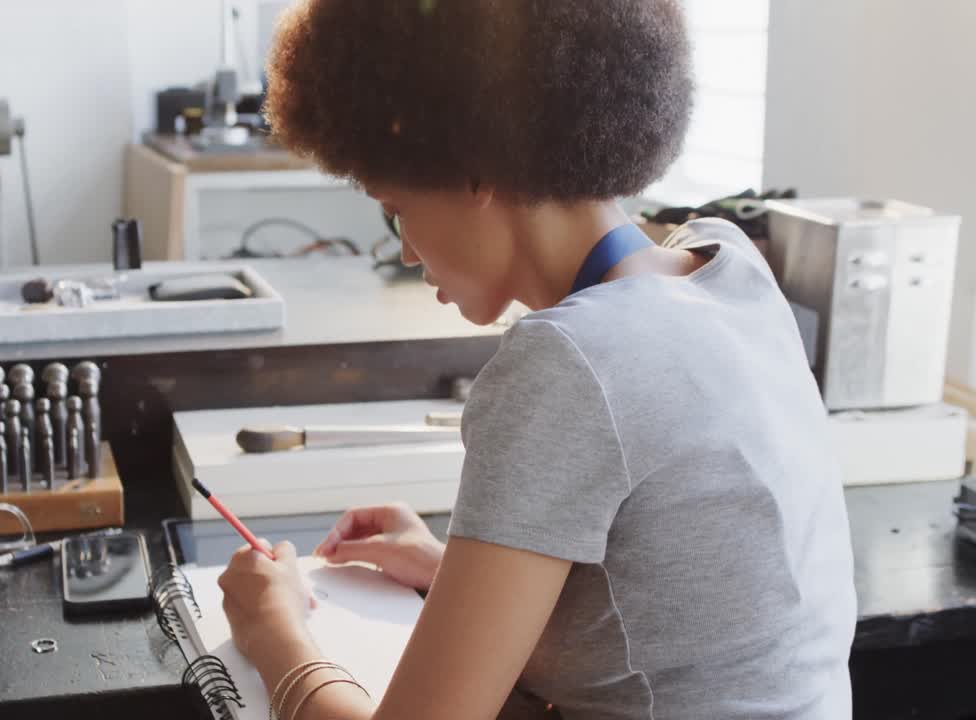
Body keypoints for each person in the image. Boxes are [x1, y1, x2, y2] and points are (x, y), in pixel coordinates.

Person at [216, 2, 857, 719]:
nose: (403, 247)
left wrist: (275, 630)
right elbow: (685, 618)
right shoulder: (730, 266)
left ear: (472, 167)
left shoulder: (567, 361)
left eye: (395, 209)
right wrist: (450, 568)